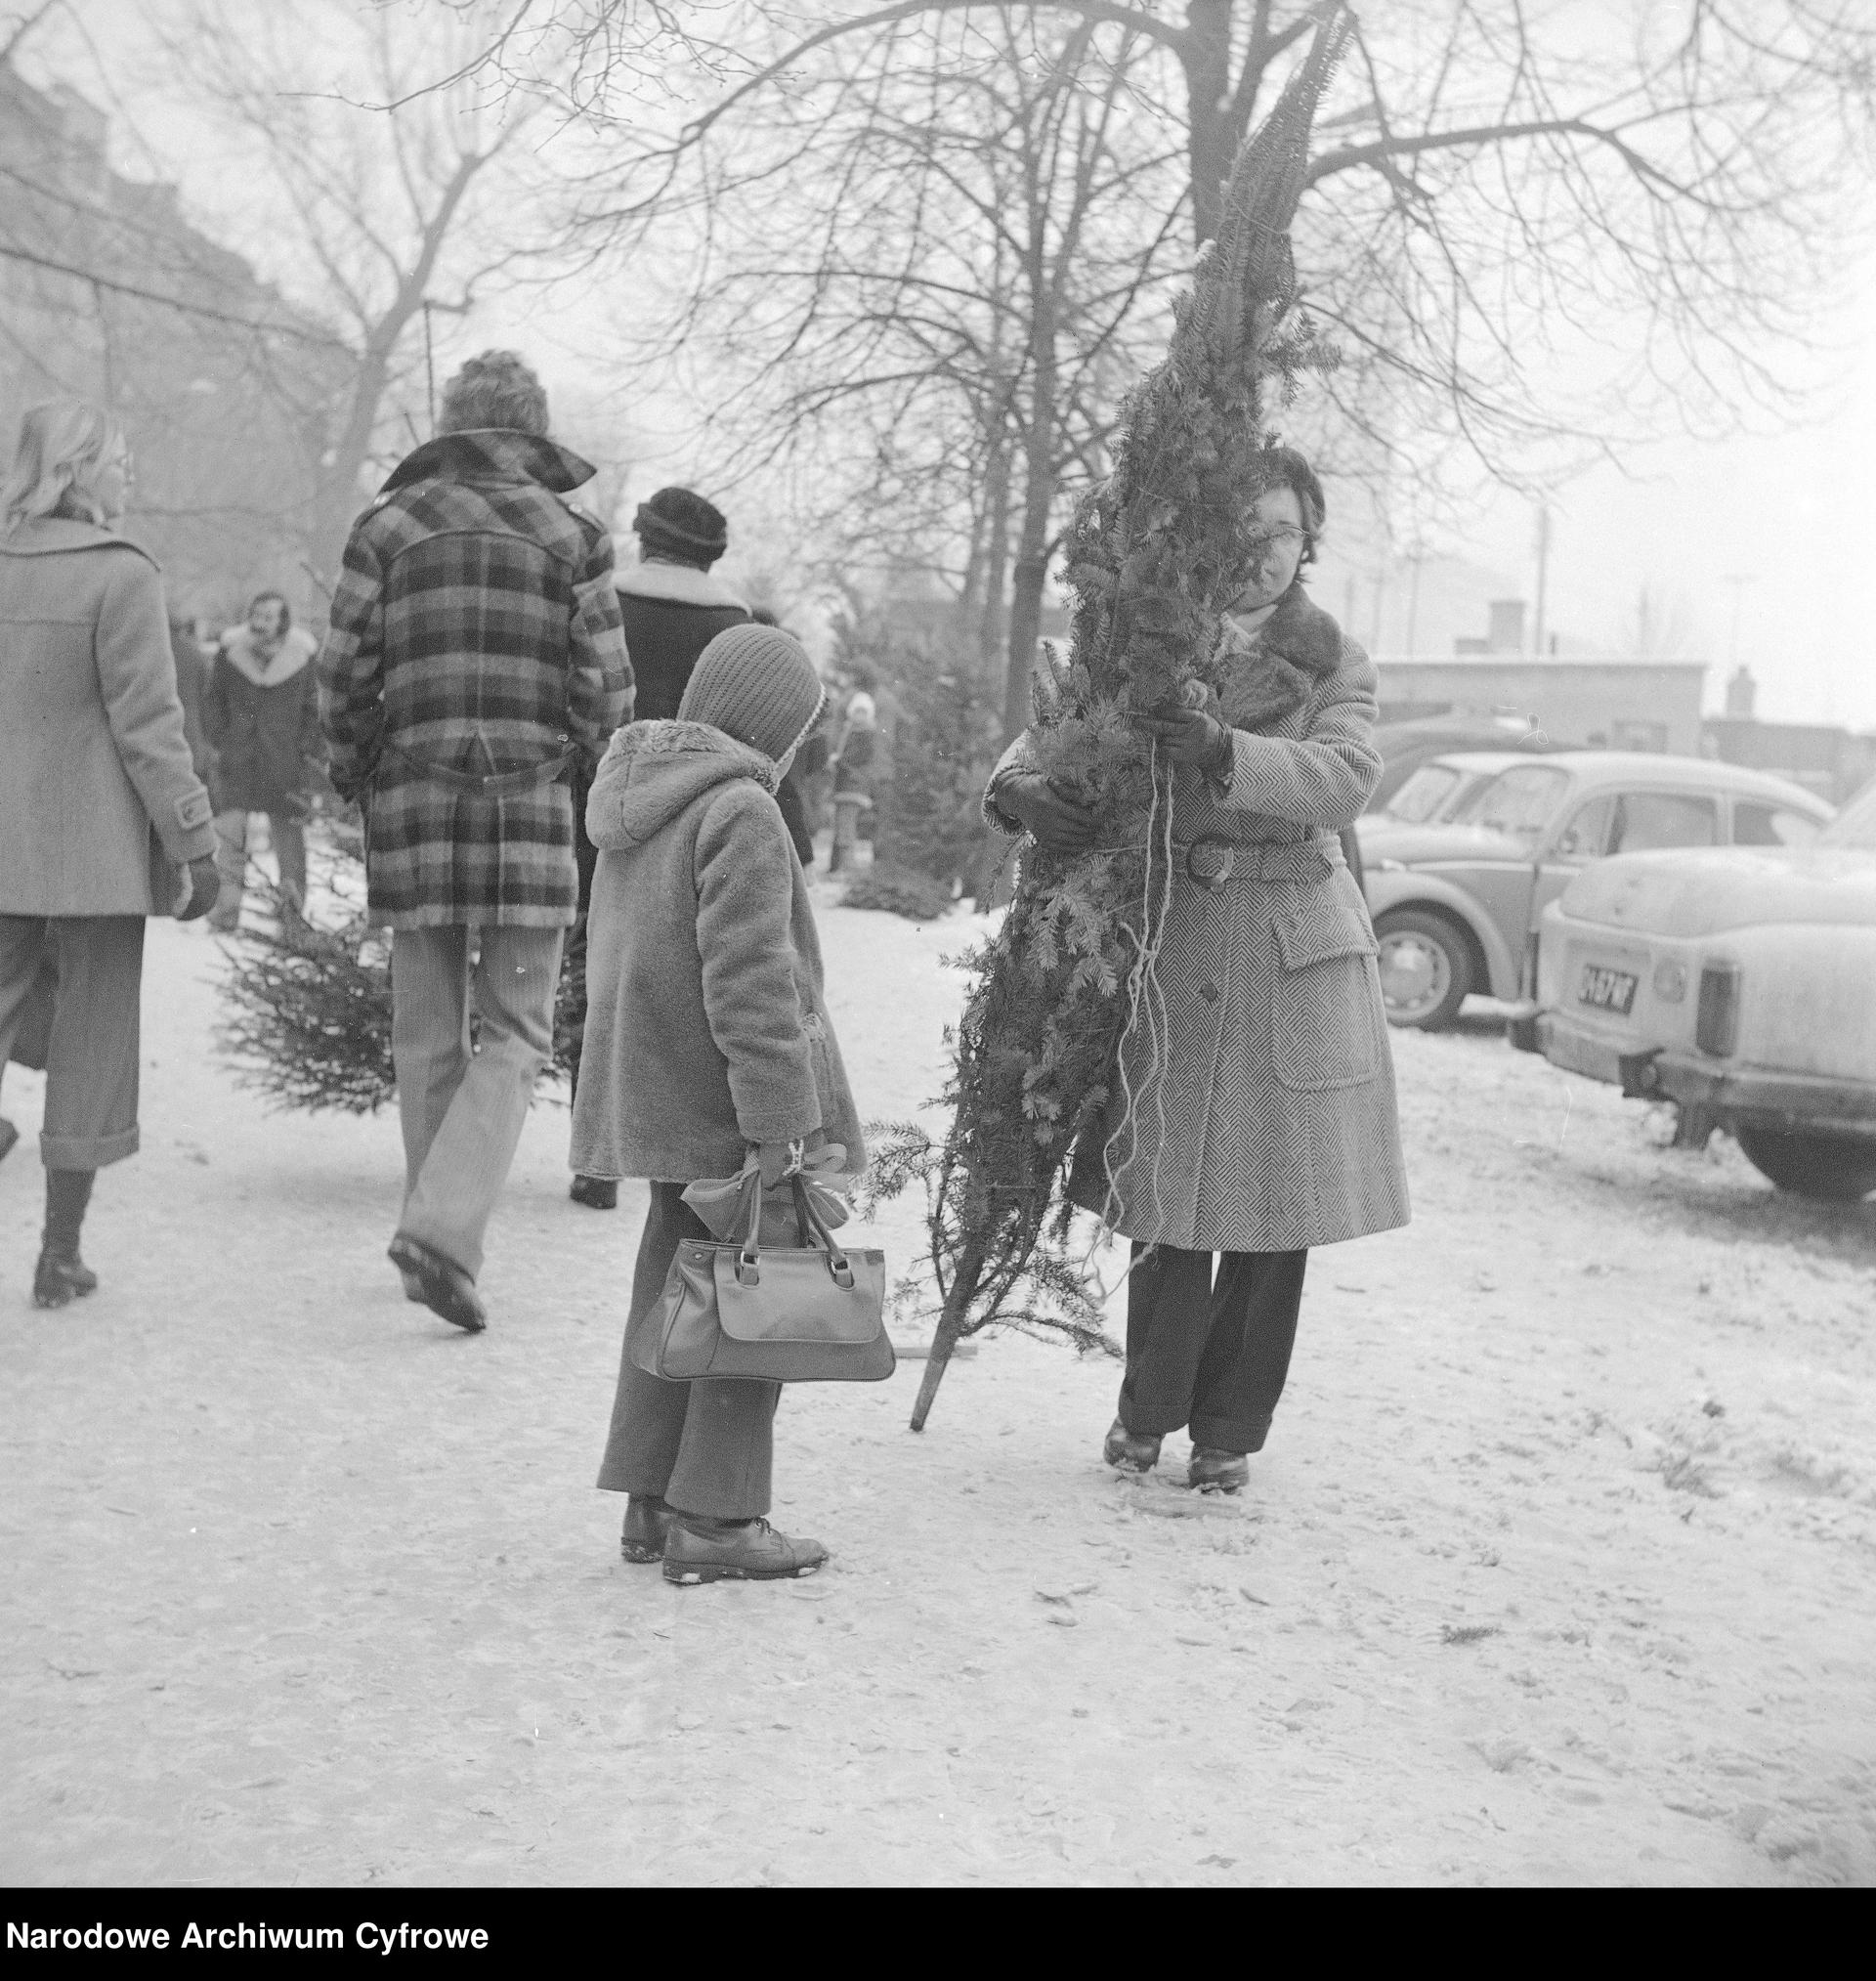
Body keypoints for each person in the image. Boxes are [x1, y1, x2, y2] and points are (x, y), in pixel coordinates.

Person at [985, 446, 1409, 1491]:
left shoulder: (1333, 657)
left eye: (1286, 530)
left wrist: (1226, 747)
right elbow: (1045, 725)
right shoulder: (1150, 632)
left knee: (1273, 1214)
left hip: (1289, 947)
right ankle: (1146, 1413)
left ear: (1308, 542)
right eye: (1247, 526)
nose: (1266, 550)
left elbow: (1347, 776)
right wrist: (1020, 791)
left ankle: (1228, 1431)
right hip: (1169, 936)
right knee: (1167, 1195)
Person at [318, 350, 632, 1332]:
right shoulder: (573, 535)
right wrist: (579, 769)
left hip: (413, 804)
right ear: (533, 431)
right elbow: (609, 692)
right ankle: (444, 1232)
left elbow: (340, 675)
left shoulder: (388, 526)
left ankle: (433, 1227)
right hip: (531, 811)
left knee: (424, 1034)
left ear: (453, 426)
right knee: (518, 1030)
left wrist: (357, 767)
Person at [572, 624, 865, 1583]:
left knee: (676, 1293)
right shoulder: (740, 808)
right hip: (726, 1109)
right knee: (760, 1294)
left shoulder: (641, 798)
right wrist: (779, 1125)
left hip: (653, 1096)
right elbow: (751, 984)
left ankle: (651, 1499)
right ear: (774, 727)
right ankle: (720, 1516)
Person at [0, 401, 222, 1308]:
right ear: (80, 469)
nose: (129, 477)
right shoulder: (121, 576)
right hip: (95, 856)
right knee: (92, 1047)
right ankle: (59, 1255)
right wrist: (194, 844)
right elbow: (150, 728)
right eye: (120, 462)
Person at [202, 590, 322, 928]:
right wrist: (222, 741)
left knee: (290, 848)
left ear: (284, 622)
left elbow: (314, 711)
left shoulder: (302, 656)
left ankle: (291, 914)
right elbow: (214, 702)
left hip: (286, 766)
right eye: (256, 614)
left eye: (269, 617)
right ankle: (225, 913)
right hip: (237, 761)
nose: (260, 623)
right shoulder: (231, 653)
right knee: (229, 839)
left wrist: (305, 755)